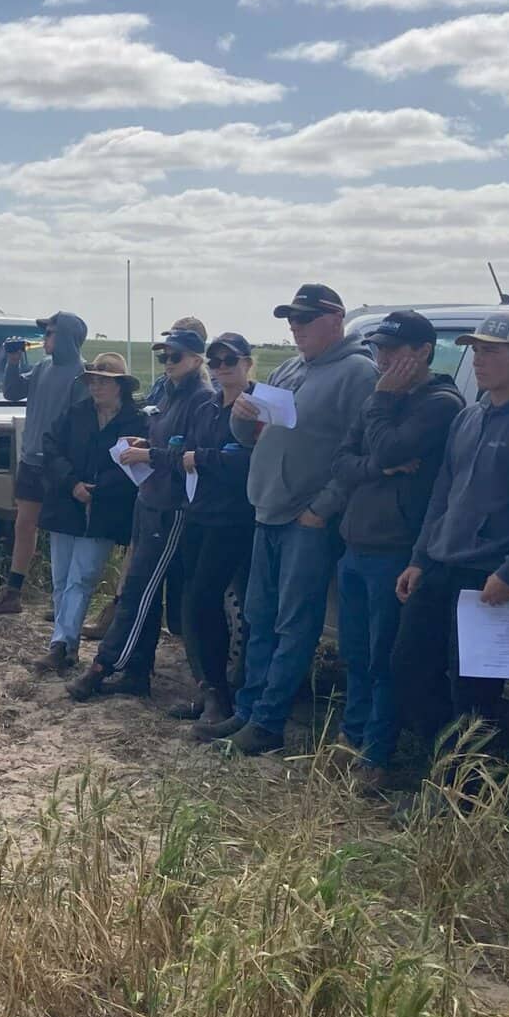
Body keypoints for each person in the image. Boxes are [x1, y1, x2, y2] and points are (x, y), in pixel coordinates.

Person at [389, 312, 509, 768]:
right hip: (441, 565)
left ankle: (465, 797)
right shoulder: (470, 416)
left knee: (475, 696)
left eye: (491, 350)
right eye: (475, 349)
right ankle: (446, 771)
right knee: (407, 670)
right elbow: (443, 494)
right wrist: (419, 557)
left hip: (492, 579)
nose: (478, 359)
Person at [222, 283, 377, 754]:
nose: (295, 327)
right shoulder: (289, 368)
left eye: (305, 319)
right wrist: (241, 415)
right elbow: (252, 437)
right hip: (267, 508)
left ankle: (268, 723)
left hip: (305, 519)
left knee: (294, 622)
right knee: (259, 617)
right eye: (291, 319)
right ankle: (248, 712)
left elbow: (361, 453)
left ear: (336, 319)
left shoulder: (358, 374)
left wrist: (321, 508)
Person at [312, 311, 463, 789]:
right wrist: (380, 465)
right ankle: (350, 739)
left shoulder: (440, 403)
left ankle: (376, 755)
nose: (382, 358)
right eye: (378, 349)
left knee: (384, 660)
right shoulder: (381, 399)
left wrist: (381, 424)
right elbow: (343, 461)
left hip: (397, 548)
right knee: (354, 655)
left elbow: (393, 448)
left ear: (422, 352)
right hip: (356, 541)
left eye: (393, 350)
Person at [69, 330, 215, 701]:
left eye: (176, 357)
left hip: (173, 506)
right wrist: (146, 446)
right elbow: (168, 443)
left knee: (139, 590)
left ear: (197, 360)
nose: (168, 364)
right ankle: (136, 671)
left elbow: (194, 455)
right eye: (164, 357)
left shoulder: (202, 400)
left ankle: (103, 665)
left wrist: (150, 455)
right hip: (150, 497)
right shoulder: (169, 392)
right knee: (142, 590)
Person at [31, 354, 143, 674]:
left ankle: (62, 644)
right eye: (93, 380)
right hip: (66, 506)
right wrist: (73, 484)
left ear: (120, 385)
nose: (96, 385)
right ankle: (66, 646)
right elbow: (51, 449)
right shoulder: (75, 414)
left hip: (105, 512)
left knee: (81, 578)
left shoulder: (136, 422)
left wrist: (97, 489)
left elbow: (133, 467)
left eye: (103, 380)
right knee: (61, 579)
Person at [176, 334, 258, 734]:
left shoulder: (255, 405)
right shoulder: (208, 406)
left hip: (235, 517)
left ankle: (222, 696)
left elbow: (245, 460)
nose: (222, 367)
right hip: (200, 511)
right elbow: (186, 451)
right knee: (192, 601)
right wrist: (202, 459)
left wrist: (201, 459)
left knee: (213, 599)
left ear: (248, 363)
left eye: (231, 360)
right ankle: (208, 688)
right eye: (216, 360)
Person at [0, 311, 88, 615]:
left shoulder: (81, 376)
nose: (45, 339)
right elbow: (15, 392)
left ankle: (63, 599)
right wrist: (13, 364)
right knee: (24, 524)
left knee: (61, 532)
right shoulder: (42, 367)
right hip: (31, 459)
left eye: (50, 333)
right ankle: (13, 592)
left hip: (60, 465)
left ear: (67, 338)